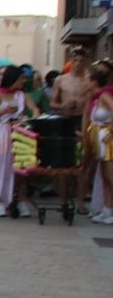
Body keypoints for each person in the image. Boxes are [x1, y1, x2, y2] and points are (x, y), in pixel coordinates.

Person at [0, 64, 38, 215]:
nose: (23, 82)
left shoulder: (21, 95)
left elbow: (35, 109)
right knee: (1, 166)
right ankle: (0, 201)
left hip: (20, 132)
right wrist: (3, 111)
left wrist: (32, 118)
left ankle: (21, 199)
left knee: (20, 167)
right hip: (3, 131)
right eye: (20, 79)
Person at [52, 48, 95, 213]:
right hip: (65, 120)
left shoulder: (89, 81)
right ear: (71, 61)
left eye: (81, 61)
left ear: (86, 62)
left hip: (83, 119)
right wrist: (63, 105)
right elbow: (53, 103)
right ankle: (63, 200)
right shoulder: (61, 80)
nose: (78, 64)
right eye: (75, 60)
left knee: (83, 163)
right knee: (64, 163)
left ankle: (80, 201)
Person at [84, 60, 113, 224]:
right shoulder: (96, 98)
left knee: (111, 176)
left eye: (88, 80)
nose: (85, 83)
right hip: (100, 140)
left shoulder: (104, 95)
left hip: (107, 140)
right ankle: (107, 209)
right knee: (104, 176)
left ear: (94, 82)